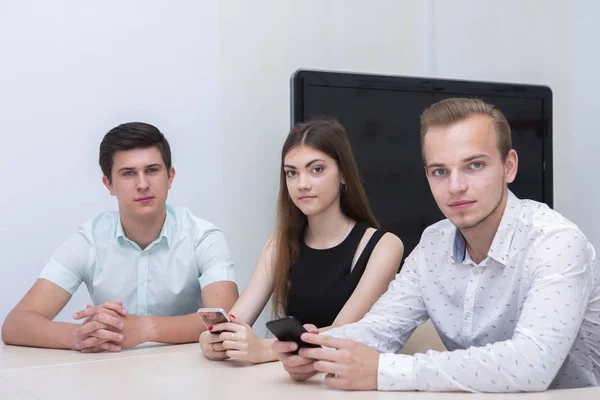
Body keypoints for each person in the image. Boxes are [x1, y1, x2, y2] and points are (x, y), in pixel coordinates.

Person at [273, 98, 600, 392]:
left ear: (509, 166)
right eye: (440, 171)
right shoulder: (433, 244)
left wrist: (384, 372)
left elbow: (533, 364)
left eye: (475, 166)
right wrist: (318, 348)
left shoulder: (556, 242)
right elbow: (382, 326)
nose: (456, 187)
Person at [1, 122, 239, 352]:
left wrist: (144, 329)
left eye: (152, 170)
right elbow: (15, 325)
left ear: (170, 176)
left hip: (193, 376)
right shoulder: (90, 240)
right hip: (111, 375)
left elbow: (227, 317)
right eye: (128, 174)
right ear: (109, 184)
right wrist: (86, 336)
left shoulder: (203, 237)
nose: (143, 184)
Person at [199, 118, 404, 363]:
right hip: (292, 380)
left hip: (350, 383)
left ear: (343, 175)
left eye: (316, 169)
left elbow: (345, 334)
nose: (302, 184)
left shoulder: (385, 246)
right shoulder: (279, 243)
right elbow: (237, 318)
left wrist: (266, 349)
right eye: (291, 173)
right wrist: (213, 338)